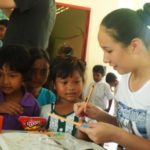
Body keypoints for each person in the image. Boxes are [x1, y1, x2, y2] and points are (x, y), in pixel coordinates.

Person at [74, 3, 150, 150]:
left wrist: (116, 136)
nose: (105, 59)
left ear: (134, 46)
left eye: (108, 50)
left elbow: (122, 134)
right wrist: (100, 115)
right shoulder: (125, 80)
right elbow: (128, 127)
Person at [40, 56, 86, 136]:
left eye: (76, 82)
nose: (71, 87)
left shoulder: (89, 112)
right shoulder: (44, 111)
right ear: (54, 84)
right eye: (64, 82)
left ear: (83, 82)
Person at [0, 45, 40, 130]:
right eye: (0, 75)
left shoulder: (32, 105)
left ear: (24, 76)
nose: (5, 81)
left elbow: (32, 133)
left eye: (12, 75)